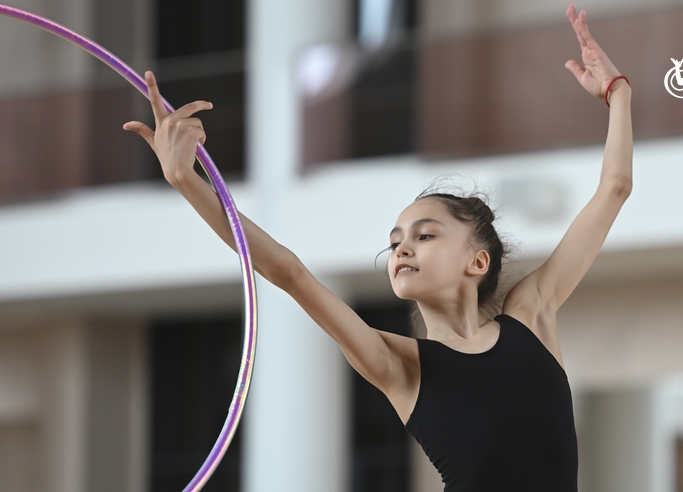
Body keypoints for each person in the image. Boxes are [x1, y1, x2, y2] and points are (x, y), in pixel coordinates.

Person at [124, 3, 632, 490]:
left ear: (478, 261)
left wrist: (618, 92)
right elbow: (288, 272)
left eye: (424, 235)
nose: (402, 249)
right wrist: (186, 181)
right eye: (395, 242)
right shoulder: (401, 366)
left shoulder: (532, 315)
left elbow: (614, 189)